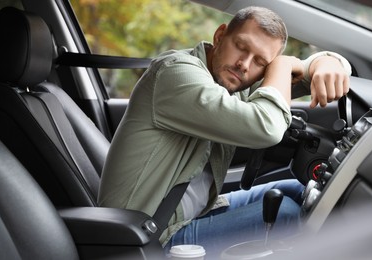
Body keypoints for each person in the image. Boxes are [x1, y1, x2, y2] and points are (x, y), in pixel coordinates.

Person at [98, 6, 351, 258]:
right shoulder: (177, 73)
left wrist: (326, 61)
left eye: (260, 62)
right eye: (241, 46)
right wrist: (282, 65)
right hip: (148, 237)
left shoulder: (232, 83)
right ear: (220, 36)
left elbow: (309, 74)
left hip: (190, 213)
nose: (244, 64)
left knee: (303, 190)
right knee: (286, 215)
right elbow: (266, 127)